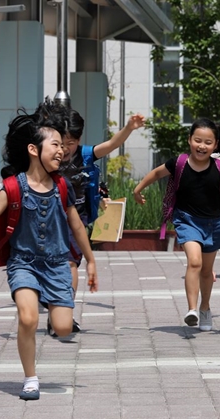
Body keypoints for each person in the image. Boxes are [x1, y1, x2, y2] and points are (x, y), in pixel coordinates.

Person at [0, 104, 98, 400]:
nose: (61, 151)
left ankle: (50, 305)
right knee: (28, 319)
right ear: (33, 149)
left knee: (64, 328)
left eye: (63, 147)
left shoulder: (62, 186)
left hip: (57, 264)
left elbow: (77, 227)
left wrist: (90, 261)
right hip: (23, 263)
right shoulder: (13, 187)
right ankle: (31, 378)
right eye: (55, 145)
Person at [133, 118, 220, 331]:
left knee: (207, 272)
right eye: (197, 140)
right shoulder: (179, 163)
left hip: (213, 223)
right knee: (194, 262)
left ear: (215, 145)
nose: (202, 146)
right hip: (187, 220)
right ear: (190, 140)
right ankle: (192, 309)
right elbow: (156, 173)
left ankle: (205, 308)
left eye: (208, 142)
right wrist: (138, 189)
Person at [57, 109, 145, 335]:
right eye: (62, 142)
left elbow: (111, 145)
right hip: (49, 219)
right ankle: (53, 309)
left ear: (79, 140)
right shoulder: (48, 155)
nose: (66, 149)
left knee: (71, 264)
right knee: (50, 267)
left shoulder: (86, 155)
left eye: (72, 142)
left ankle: (65, 314)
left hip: (76, 219)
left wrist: (129, 128)